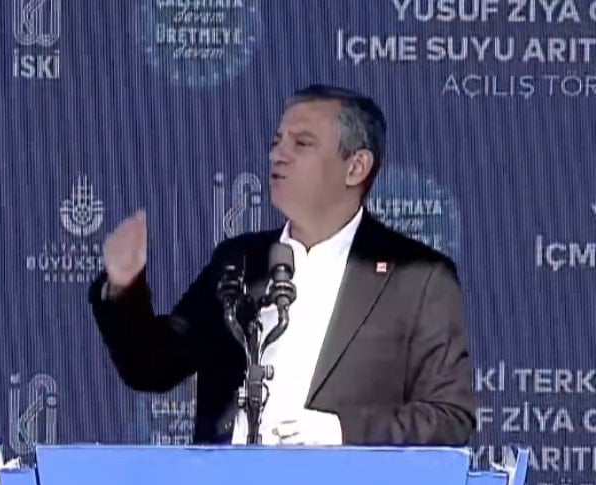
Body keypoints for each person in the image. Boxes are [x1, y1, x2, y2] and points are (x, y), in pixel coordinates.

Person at [88, 84, 475, 447]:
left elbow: (449, 417)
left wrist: (338, 430)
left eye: (301, 144)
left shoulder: (417, 276)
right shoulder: (239, 260)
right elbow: (152, 368)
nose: (278, 155)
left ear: (356, 167)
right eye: (277, 142)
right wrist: (123, 288)